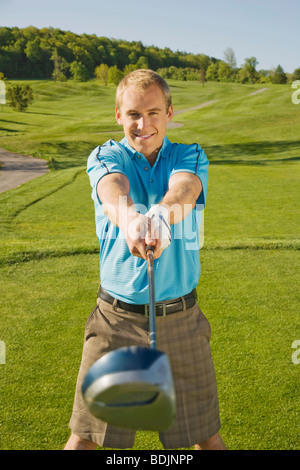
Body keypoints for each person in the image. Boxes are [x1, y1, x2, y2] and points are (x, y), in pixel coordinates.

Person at [64, 69, 226, 450]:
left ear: (169, 112)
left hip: (182, 320)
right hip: (116, 321)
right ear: (119, 115)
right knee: (86, 439)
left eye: (154, 112)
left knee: (206, 437)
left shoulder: (189, 154)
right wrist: (133, 220)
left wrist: (160, 217)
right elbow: (111, 189)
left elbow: (185, 188)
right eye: (134, 114)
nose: (144, 124)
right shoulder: (106, 155)